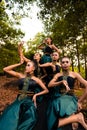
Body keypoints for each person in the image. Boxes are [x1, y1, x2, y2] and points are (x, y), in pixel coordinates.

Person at [0, 59, 49, 130]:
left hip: (29, 102)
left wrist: (36, 95)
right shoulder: (21, 76)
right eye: (26, 65)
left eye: (28, 65)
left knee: (29, 119)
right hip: (18, 101)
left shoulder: (37, 80)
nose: (26, 67)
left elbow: (46, 90)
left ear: (33, 68)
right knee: (10, 116)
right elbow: (5, 69)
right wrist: (19, 63)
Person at [47, 56, 87, 130]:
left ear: (70, 63)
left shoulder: (74, 74)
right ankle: (76, 118)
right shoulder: (58, 75)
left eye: (67, 62)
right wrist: (60, 82)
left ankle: (77, 119)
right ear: (61, 64)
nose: (65, 64)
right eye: (63, 62)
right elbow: (49, 84)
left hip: (70, 98)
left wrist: (80, 101)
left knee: (73, 126)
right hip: (59, 97)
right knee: (50, 123)